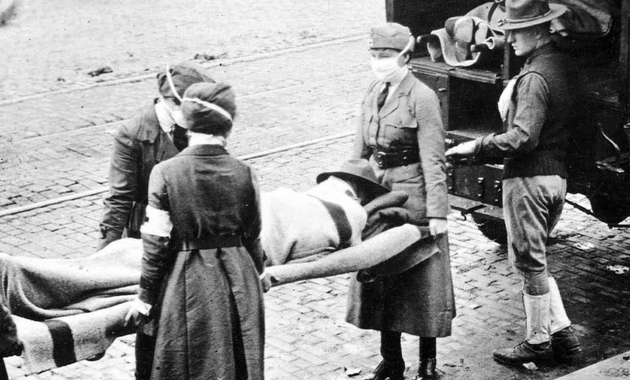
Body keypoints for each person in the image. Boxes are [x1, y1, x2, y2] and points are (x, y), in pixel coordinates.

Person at [446, 0, 582, 366]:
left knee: (529, 264)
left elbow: (523, 138)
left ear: (539, 32)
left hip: (529, 180)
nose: (509, 39)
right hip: (555, 179)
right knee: (535, 262)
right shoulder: (559, 66)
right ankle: (564, 335)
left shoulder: (535, 77)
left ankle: (537, 342)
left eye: (517, 32)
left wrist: (476, 147)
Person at [124, 82, 268, 380]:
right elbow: (253, 235)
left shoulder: (165, 172)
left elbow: (155, 243)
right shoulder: (244, 172)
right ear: (228, 126)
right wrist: (260, 273)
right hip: (240, 278)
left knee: (189, 360)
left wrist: (145, 298)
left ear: (186, 123)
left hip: (189, 279)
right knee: (240, 358)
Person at [346, 22, 455, 380]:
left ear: (406, 56)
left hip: (413, 199)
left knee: (423, 282)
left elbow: (434, 159)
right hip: (378, 195)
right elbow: (359, 150)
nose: (379, 62)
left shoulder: (421, 97)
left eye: (387, 56)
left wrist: (438, 213)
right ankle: (391, 359)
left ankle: (428, 362)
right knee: (380, 278)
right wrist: (346, 191)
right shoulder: (373, 90)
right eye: (374, 55)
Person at [97, 61, 215, 252]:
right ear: (166, 99)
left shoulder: (200, 123)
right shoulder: (133, 134)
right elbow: (119, 199)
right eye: (182, 105)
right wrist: (102, 258)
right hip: (149, 235)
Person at [261, 158, 393, 266]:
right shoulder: (355, 211)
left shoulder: (315, 192)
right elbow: (355, 250)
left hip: (270, 207)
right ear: (363, 189)